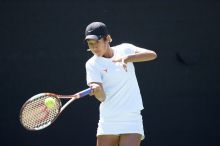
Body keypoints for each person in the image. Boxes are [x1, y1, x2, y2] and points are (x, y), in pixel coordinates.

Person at [84, 22, 157, 146]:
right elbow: (102, 97)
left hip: (131, 116)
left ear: (108, 38)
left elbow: (152, 55)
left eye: (97, 42)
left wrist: (127, 58)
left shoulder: (125, 48)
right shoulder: (91, 64)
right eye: (90, 44)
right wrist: (97, 89)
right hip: (108, 119)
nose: (94, 47)